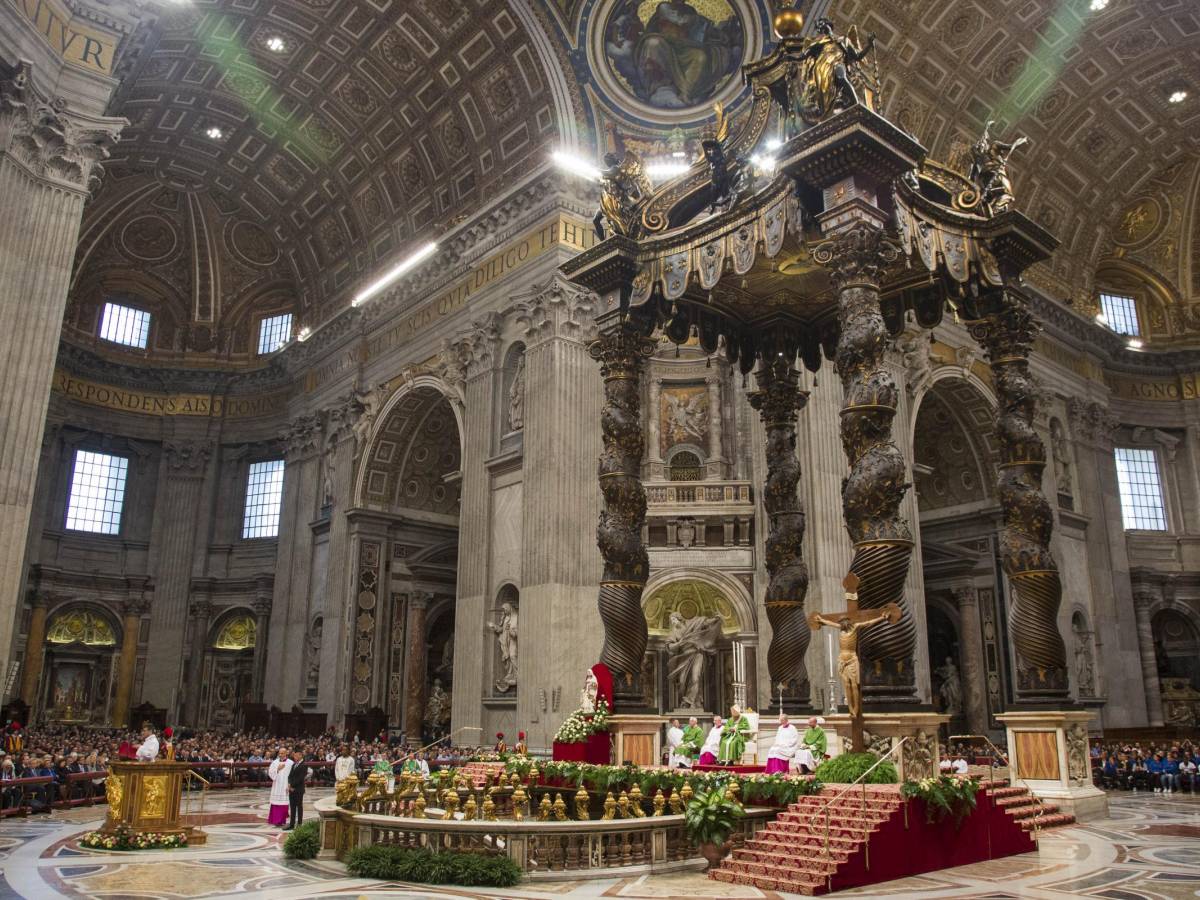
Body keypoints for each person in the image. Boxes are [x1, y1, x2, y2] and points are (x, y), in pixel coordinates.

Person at [267, 748, 292, 827]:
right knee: (276, 803)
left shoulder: (290, 763)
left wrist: (290, 784)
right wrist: (277, 769)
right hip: (277, 785)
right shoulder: (275, 762)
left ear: (286, 753)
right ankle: (275, 820)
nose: (280, 755)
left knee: (284, 804)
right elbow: (270, 773)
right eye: (279, 753)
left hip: (285, 785)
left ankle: (282, 820)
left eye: (282, 753)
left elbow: (293, 774)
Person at [284, 749, 307, 831]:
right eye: (294, 756)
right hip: (291, 789)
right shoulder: (294, 765)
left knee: (299, 807)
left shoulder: (304, 765)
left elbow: (300, 778)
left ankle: (299, 824)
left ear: (300, 755)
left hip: (299, 789)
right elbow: (289, 776)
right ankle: (291, 824)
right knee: (292, 807)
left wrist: (292, 786)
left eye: (296, 755)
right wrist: (289, 785)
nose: (295, 757)